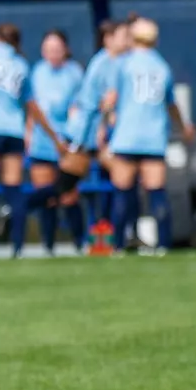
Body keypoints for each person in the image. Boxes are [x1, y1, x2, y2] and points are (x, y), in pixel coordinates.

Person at [0, 25, 62, 259]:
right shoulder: (22, 64)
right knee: (13, 190)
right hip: (14, 131)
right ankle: (17, 246)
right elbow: (32, 105)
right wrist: (54, 137)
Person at [107, 17, 190, 256]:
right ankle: (163, 245)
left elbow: (112, 100)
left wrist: (106, 120)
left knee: (122, 191)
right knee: (156, 192)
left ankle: (118, 246)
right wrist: (183, 128)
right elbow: (171, 104)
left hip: (127, 136)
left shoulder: (123, 64)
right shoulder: (162, 66)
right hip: (153, 137)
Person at [58, 20, 129, 252]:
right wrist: (97, 130)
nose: (126, 40)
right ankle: (89, 240)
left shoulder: (119, 62)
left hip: (98, 137)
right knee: (64, 190)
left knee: (120, 180)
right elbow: (95, 103)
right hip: (85, 138)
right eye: (122, 36)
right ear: (108, 39)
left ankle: (108, 239)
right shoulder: (102, 64)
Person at [28, 30, 86, 255]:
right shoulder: (37, 73)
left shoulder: (74, 73)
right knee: (46, 196)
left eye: (57, 49)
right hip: (42, 142)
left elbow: (77, 109)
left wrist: (70, 139)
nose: (52, 54)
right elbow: (32, 108)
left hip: (66, 143)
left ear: (65, 50)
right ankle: (48, 246)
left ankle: (80, 243)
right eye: (48, 50)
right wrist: (29, 133)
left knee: (68, 194)